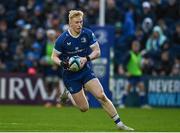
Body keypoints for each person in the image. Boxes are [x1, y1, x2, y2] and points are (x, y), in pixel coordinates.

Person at [51, 10, 134, 131]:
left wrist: (86, 59)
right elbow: (53, 57)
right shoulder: (62, 39)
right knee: (84, 108)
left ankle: (120, 124)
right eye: (77, 22)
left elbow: (97, 51)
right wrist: (62, 63)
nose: (79, 25)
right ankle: (68, 93)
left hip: (85, 70)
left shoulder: (87, 33)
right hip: (70, 75)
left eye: (81, 22)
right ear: (70, 23)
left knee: (101, 96)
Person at [121, 40, 150, 108]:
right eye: (135, 46)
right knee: (128, 87)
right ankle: (122, 103)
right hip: (131, 74)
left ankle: (143, 104)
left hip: (138, 74)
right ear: (132, 46)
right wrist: (126, 71)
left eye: (137, 46)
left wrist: (145, 64)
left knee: (142, 87)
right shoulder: (129, 54)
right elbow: (123, 63)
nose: (136, 47)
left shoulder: (140, 55)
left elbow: (140, 65)